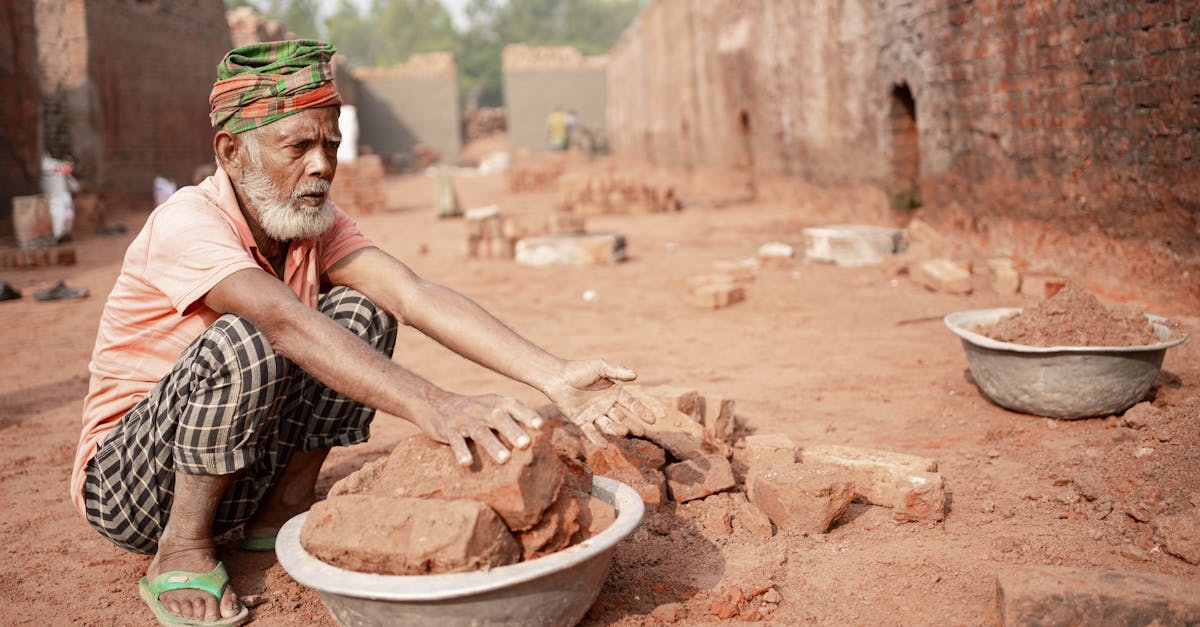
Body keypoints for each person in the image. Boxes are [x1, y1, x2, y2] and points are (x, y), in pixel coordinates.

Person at [72, 40, 655, 627]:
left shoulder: (306, 221)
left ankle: (282, 509)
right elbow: (284, 323)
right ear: (231, 152)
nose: (322, 165)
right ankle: (183, 549)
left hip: (242, 472)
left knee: (363, 310)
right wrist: (437, 405)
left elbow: (412, 295)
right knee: (254, 336)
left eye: (331, 144)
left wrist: (554, 376)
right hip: (137, 485)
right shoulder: (188, 223)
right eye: (298, 146)